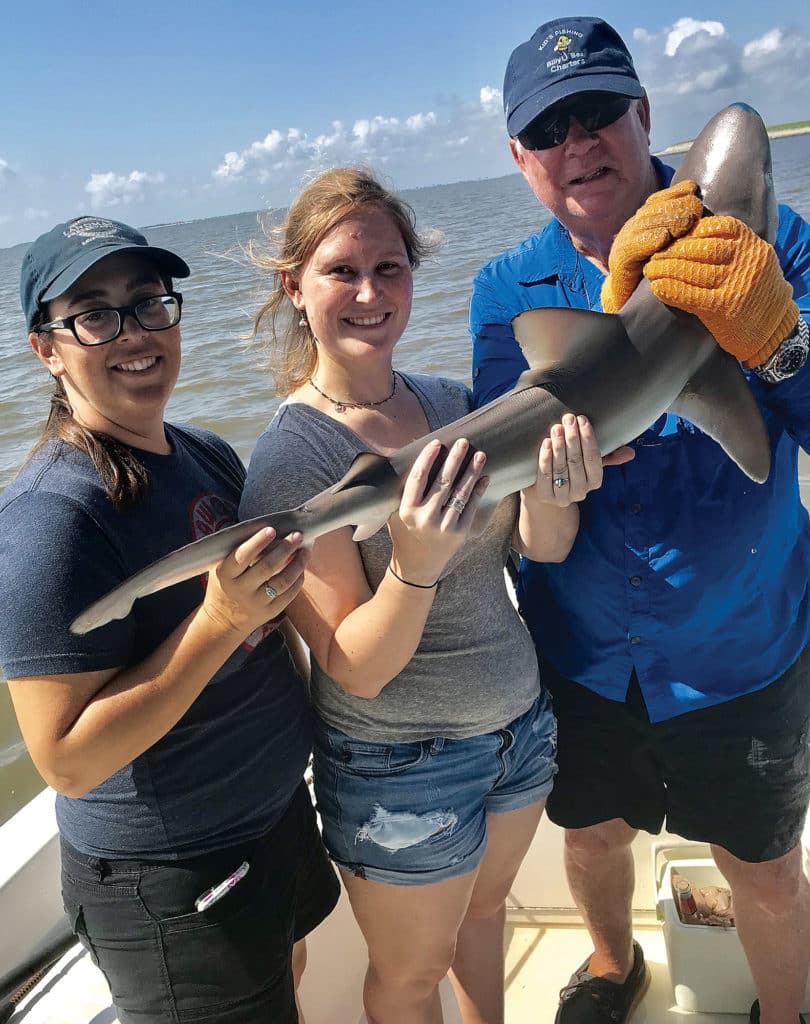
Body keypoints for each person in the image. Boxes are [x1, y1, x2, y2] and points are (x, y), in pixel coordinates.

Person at [470, 15, 810, 1024]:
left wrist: (776, 346)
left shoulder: (776, 246)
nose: (578, 142)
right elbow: (536, 537)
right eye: (548, 129)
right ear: (520, 158)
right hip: (582, 648)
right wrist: (548, 488)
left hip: (740, 641)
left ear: (643, 114)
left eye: (597, 113)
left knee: (764, 867)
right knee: (590, 834)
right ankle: (613, 967)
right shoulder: (508, 294)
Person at [240, 166, 632, 1024]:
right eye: (342, 270)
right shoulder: (295, 462)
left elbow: (539, 549)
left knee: (485, 918)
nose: (370, 292)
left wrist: (558, 492)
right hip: (399, 769)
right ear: (294, 287)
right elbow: (354, 669)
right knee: (411, 978)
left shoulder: (455, 404)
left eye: (390, 268)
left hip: (518, 731)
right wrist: (414, 564)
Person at [0, 216, 340, 1024]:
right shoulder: (51, 521)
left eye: (148, 302)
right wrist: (217, 621)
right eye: (94, 313)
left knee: (286, 983)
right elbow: (67, 763)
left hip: (272, 818)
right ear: (46, 347)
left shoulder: (200, 451)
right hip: (176, 871)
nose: (134, 332)